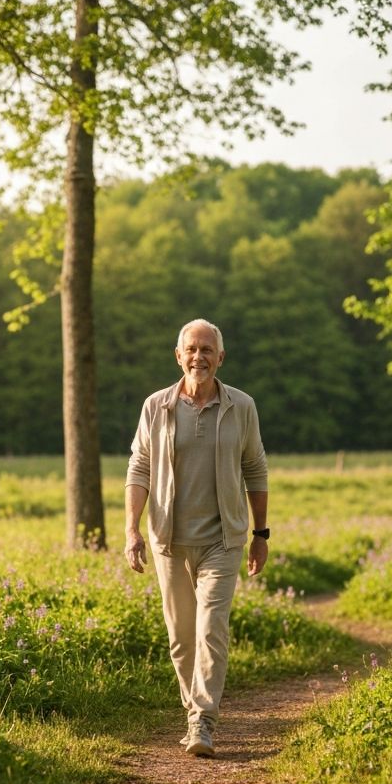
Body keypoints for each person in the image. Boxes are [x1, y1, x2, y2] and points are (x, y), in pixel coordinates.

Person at [124, 318, 269, 758]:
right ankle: (194, 710)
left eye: (207, 350)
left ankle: (202, 721)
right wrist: (132, 528)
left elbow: (255, 469)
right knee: (181, 638)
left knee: (211, 630)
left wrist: (260, 534)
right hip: (169, 538)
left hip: (223, 540)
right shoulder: (157, 406)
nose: (199, 357)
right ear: (178, 356)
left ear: (220, 358)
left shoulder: (241, 407)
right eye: (191, 349)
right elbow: (139, 468)